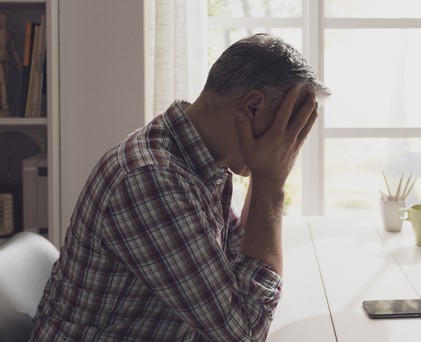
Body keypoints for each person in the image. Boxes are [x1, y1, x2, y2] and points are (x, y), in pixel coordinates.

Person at [30, 33, 330, 341]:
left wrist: (262, 174)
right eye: (292, 125)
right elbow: (243, 332)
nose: (291, 143)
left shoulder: (198, 159)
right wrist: (271, 181)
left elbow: (238, 270)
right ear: (253, 107)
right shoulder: (151, 180)